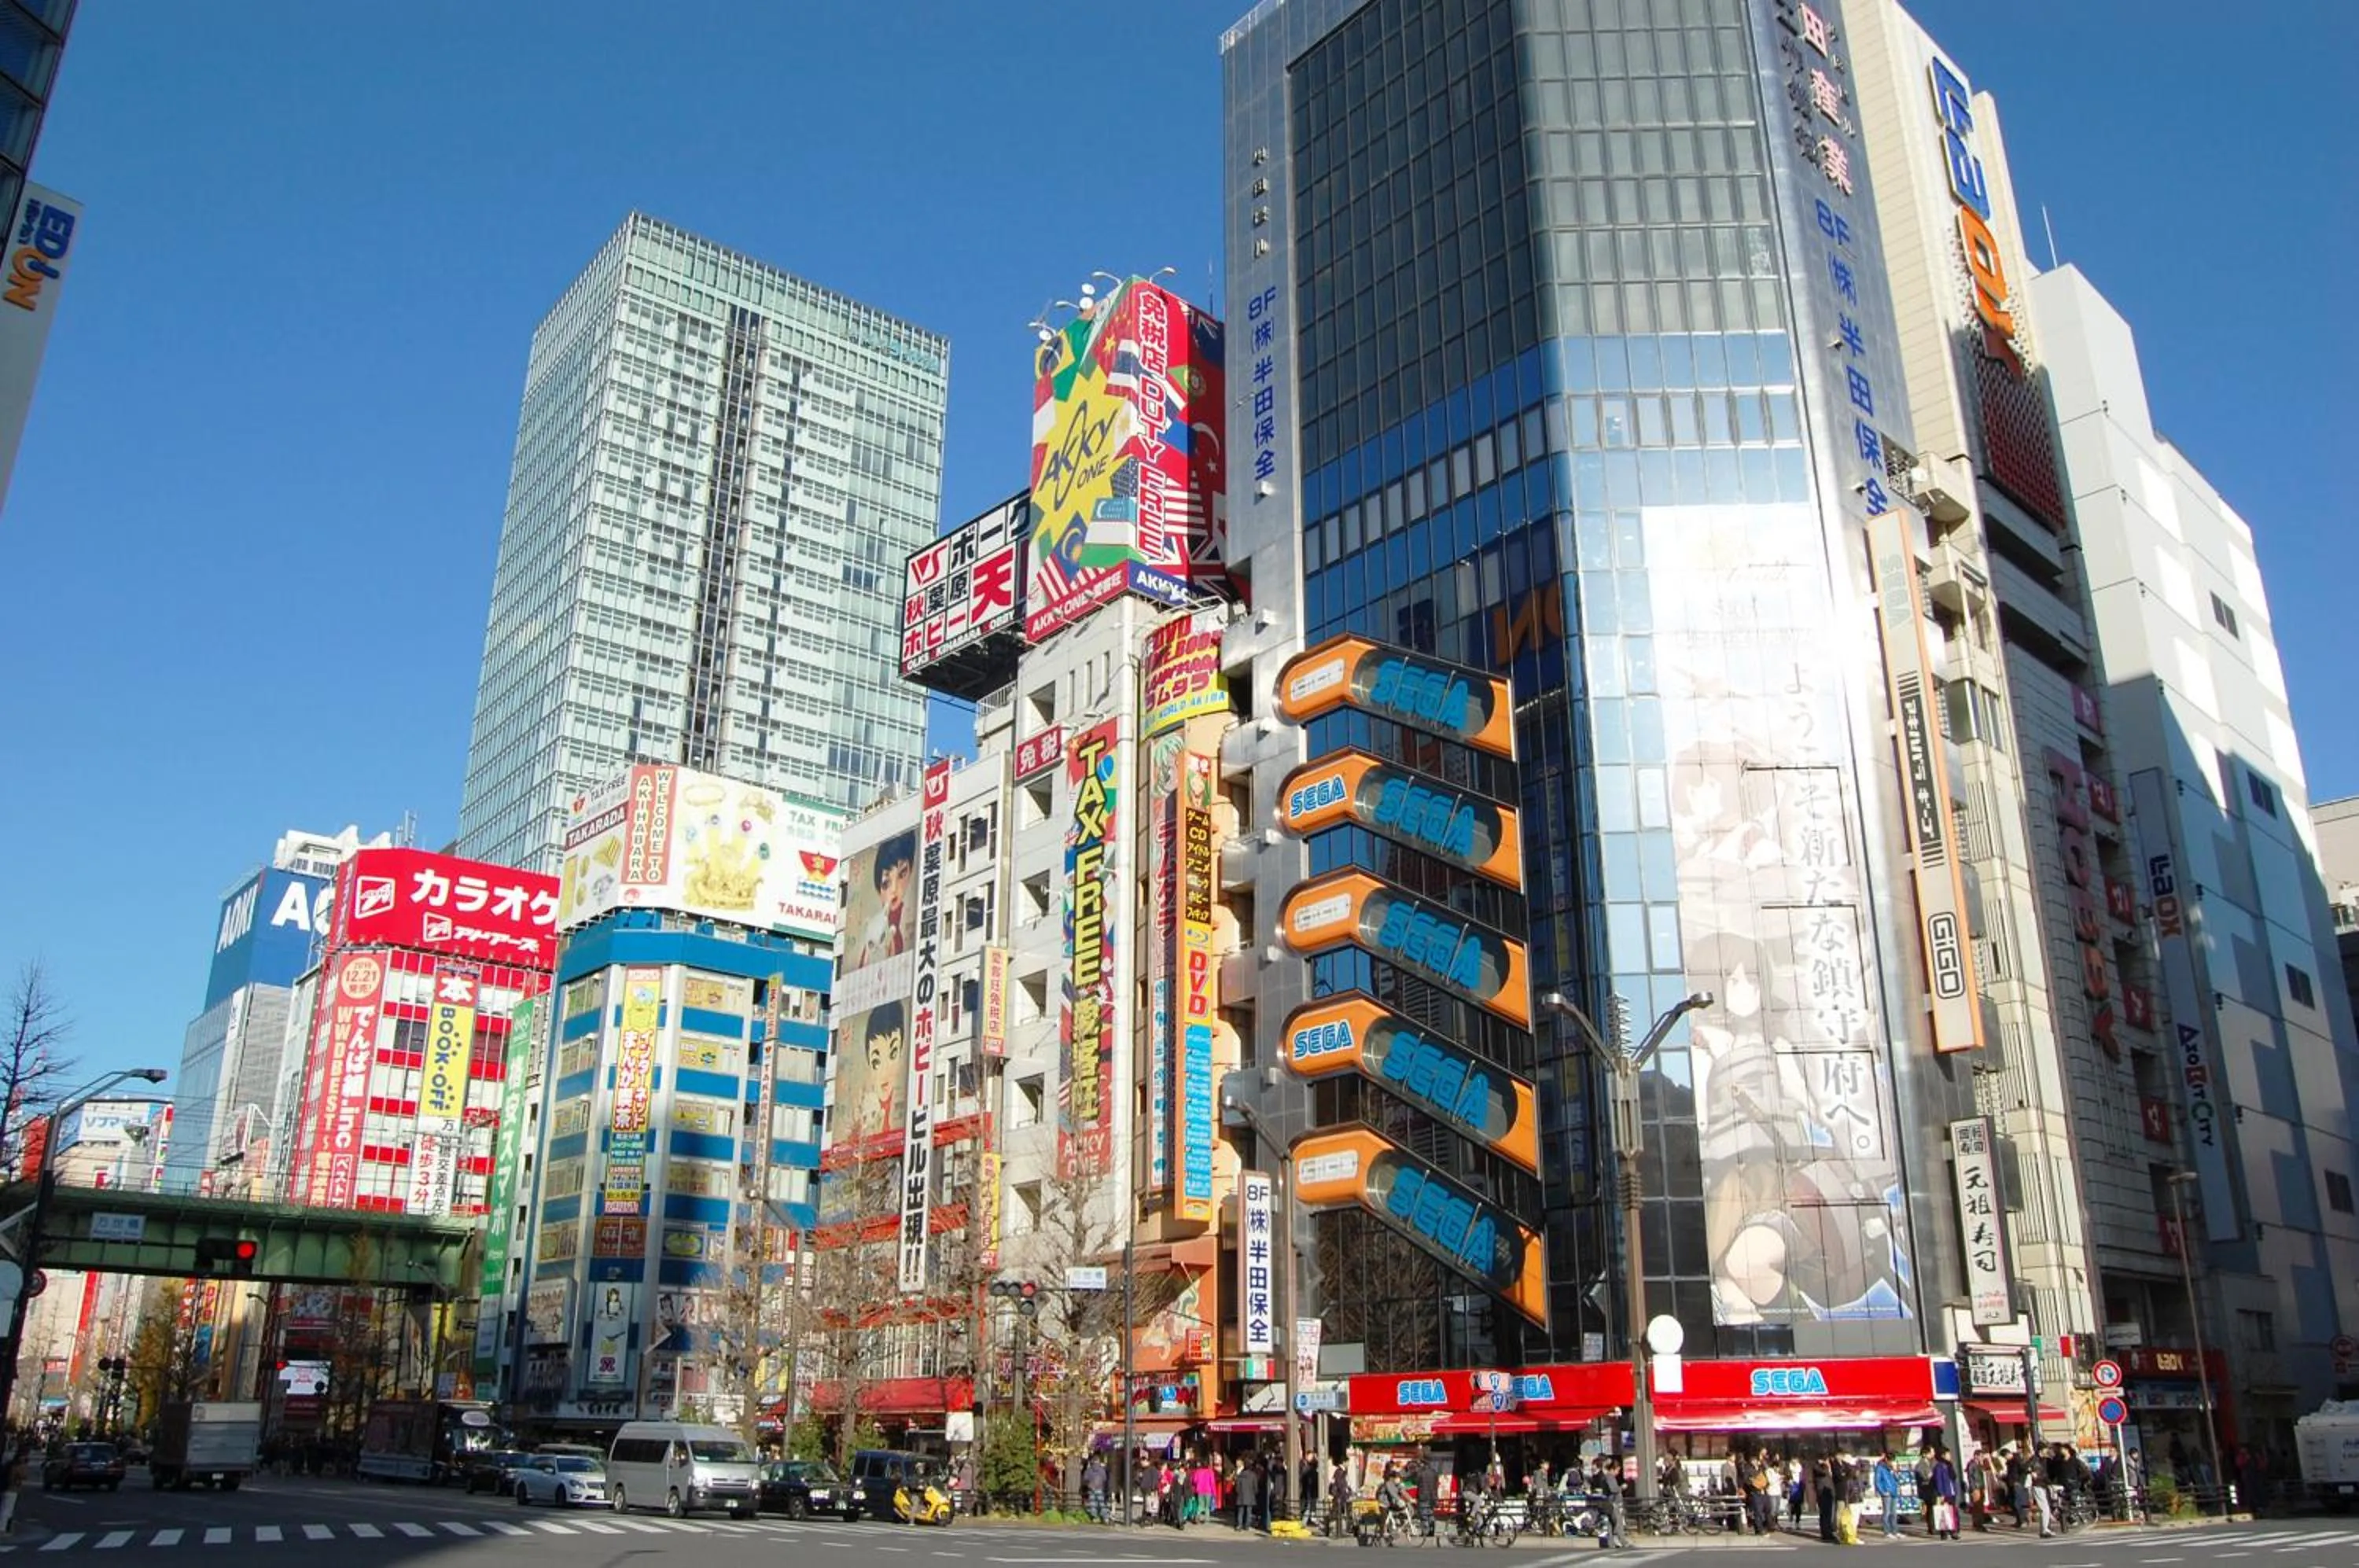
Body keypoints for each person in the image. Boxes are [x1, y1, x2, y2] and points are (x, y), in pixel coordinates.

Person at [1930, 1449, 1962, 1540]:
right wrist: (1941, 1494)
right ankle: (1944, 1533)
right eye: (1948, 1454)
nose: (1950, 1456)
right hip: (1944, 1493)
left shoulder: (1949, 1465)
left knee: (1952, 1513)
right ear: (1943, 1455)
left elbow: (1953, 1478)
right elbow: (1939, 1481)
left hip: (1952, 1492)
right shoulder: (1939, 1467)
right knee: (1943, 1512)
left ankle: (1954, 1531)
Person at [1874, 1453, 1901, 1538]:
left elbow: (1897, 1479)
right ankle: (1887, 1532)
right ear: (1886, 1460)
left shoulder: (1892, 1468)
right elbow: (1877, 1481)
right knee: (1887, 1512)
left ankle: (1895, 1531)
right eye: (1890, 1461)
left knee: (1894, 1513)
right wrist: (1882, 1491)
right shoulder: (1880, 1468)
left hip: (1893, 1491)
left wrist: (1895, 1471)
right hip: (1887, 1492)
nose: (1892, 1462)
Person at [1235, 1454, 1261, 1532]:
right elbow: (1255, 1486)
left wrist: (1238, 1492)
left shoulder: (1240, 1476)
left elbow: (1237, 1487)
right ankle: (1247, 1526)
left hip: (1241, 1495)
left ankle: (1239, 1525)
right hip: (1250, 1495)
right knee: (1249, 1512)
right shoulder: (1253, 1475)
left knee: (1241, 1511)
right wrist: (1255, 1493)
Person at [1082, 1452, 1109, 1524]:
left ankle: (1095, 1517)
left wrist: (1090, 1484)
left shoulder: (1089, 1470)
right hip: (1100, 1489)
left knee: (1093, 1504)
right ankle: (1105, 1517)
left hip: (1091, 1489)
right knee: (1101, 1504)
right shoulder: (1102, 1470)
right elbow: (1104, 1479)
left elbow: (1085, 1479)